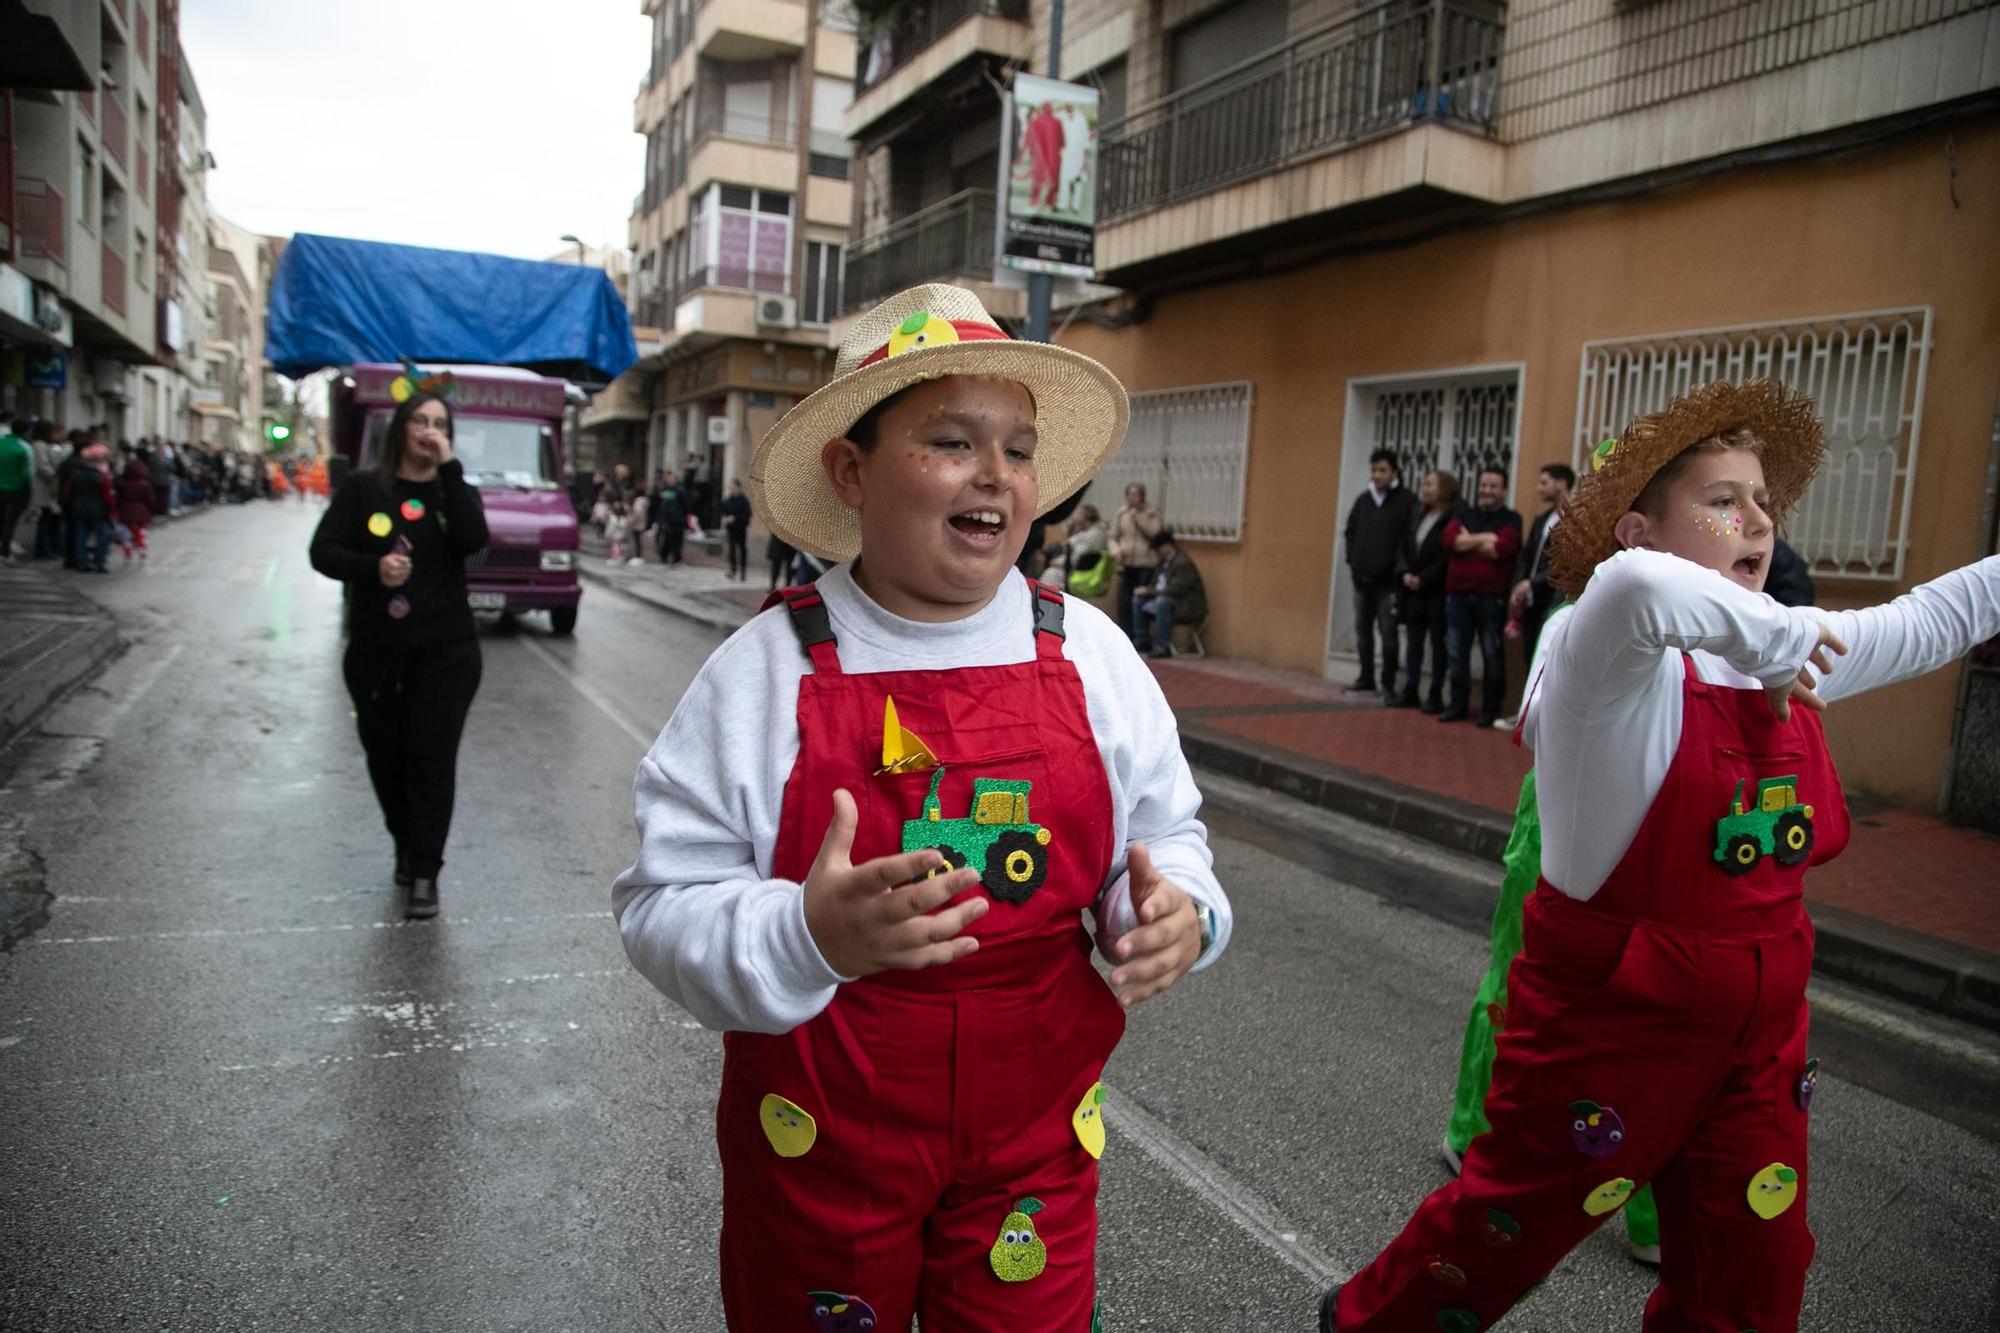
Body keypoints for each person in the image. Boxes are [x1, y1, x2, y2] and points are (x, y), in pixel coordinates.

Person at [612, 284, 1231, 1332]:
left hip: (1034, 1136)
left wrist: (1174, 915)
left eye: (1018, 448)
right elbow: (659, 906)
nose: (994, 473)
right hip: (820, 1131)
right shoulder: (763, 671)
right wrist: (803, 931)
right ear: (850, 471)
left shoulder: (1091, 652)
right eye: (949, 440)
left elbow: (1167, 834)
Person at [1321, 378, 2000, 1333]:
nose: (1758, 518)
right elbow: (1640, 589)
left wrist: (1786, 639)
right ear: (1639, 529)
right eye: (1723, 501)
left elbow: (1934, 619)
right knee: (1491, 1242)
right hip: (1608, 1028)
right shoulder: (1601, 647)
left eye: (1764, 500)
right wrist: (1788, 637)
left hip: (1760, 1041)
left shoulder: (1772, 651)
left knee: (1754, 1274)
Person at [1436, 597, 1663, 1264]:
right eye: (1718, 505)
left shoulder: (1732, 628)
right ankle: (1472, 1129)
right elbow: (1536, 722)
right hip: (1567, 818)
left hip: (1663, 837)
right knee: (1518, 981)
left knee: (1655, 1017)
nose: (1747, 526)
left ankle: (1654, 1210)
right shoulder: (1580, 617)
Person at [309, 391, 489, 920]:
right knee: (387, 762)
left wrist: (450, 467)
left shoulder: (453, 490)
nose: (429, 431)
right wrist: (373, 569)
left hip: (448, 654)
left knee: (431, 763)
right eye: (420, 421)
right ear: (400, 430)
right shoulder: (365, 489)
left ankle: (425, 872)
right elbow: (323, 551)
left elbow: (474, 540)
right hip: (378, 655)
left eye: (440, 423)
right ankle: (405, 847)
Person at [1440, 467, 1522, 724]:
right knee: (1456, 652)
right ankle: (1457, 705)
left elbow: (1502, 549)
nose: (1487, 491)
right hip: (1458, 595)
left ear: (1504, 490)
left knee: (1491, 653)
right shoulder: (1463, 513)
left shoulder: (1511, 519)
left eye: (1493, 486)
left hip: (1491, 598)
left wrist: (1469, 541)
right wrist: (1485, 538)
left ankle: (1490, 709)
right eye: (1484, 485)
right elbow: (1450, 541)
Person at [1344, 448, 1419, 701]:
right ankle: (1366, 677)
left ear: (1394, 472)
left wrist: (1399, 569)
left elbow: (1408, 539)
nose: (1377, 475)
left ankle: (1388, 683)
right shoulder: (1364, 500)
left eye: (1382, 470)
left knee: (1388, 634)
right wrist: (1353, 561)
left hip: (1389, 582)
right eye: (1374, 470)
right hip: (1362, 579)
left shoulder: (1406, 501)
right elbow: (1350, 532)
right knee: (1362, 630)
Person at [1394, 469, 1458, 712]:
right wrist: (1405, 573)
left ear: (1445, 489)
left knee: (1437, 643)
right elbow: (1404, 546)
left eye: (1431, 484)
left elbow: (1445, 555)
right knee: (1414, 641)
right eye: (1425, 484)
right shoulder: (1418, 515)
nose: (1425, 488)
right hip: (1412, 590)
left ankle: (1435, 692)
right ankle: (1411, 686)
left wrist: (1425, 578)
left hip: (1436, 592)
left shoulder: (1451, 519)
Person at [1509, 463, 1576, 666]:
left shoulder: (1574, 519)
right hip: (1532, 600)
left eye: (1544, 482)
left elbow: (1566, 562)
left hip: (1553, 597)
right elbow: (1526, 555)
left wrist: (1533, 582)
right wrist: (1518, 585)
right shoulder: (1542, 519)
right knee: (1530, 656)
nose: (1539, 488)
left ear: (1560, 484)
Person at [1135, 529, 1209, 660]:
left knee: (1162, 602)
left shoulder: (1182, 563)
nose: (1157, 552)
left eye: (1158, 549)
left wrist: (1149, 592)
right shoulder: (1163, 563)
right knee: (1138, 600)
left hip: (1186, 605)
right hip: (1169, 600)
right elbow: (1155, 584)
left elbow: (1176, 590)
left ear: (1168, 545)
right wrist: (1145, 591)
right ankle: (1143, 640)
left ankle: (1163, 646)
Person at [1109, 483, 1162, 646]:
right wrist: (1116, 551)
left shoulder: (1150, 513)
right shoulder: (1121, 513)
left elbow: (1155, 534)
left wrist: (1138, 518)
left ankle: (1142, 637)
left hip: (1145, 562)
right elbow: (1113, 536)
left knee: (1139, 599)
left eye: (1136, 495)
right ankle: (1126, 635)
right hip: (1126, 563)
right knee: (1123, 601)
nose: (1133, 498)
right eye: (1130, 495)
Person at [64, 441, 114, 574]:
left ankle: (81, 562)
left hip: (79, 509)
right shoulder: (102, 477)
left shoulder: (76, 475)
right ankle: (100, 562)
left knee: (81, 536)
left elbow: (68, 493)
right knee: (102, 537)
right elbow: (107, 496)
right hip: (98, 510)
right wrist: (111, 511)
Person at [1040, 503, 1108, 591]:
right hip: (1073, 568)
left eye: (1077, 513)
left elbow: (1077, 556)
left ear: (1086, 516)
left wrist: (1057, 562)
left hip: (1078, 572)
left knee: (1050, 573)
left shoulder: (1093, 534)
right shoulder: (1084, 531)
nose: (1074, 515)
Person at [31, 422, 66, 559]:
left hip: (49, 488)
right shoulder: (39, 445)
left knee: (49, 520)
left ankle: (48, 548)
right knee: (45, 521)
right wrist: (55, 476)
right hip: (44, 488)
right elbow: (43, 466)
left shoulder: (46, 446)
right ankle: (43, 550)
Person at [113, 457, 157, 563]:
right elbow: (150, 500)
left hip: (125, 512)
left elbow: (117, 499)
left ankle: (127, 553)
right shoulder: (144, 484)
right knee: (140, 532)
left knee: (126, 535)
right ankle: (142, 551)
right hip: (141, 512)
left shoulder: (121, 484)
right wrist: (151, 511)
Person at [0, 416, 31, 561]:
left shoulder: (1, 442)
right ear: (26, 431)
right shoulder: (22, 448)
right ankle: (5, 552)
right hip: (14, 490)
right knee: (9, 522)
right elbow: (26, 474)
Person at [652, 470, 689, 567]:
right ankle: (666, 556)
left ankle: (676, 559)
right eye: (668, 479)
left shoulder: (680, 490)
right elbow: (658, 503)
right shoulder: (665, 490)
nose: (669, 480)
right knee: (668, 539)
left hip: (677, 519)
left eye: (672, 479)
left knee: (677, 540)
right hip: (666, 519)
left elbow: (685, 504)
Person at [721, 479, 753, 580]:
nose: (732, 490)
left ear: (739, 488)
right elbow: (723, 511)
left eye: (734, 488)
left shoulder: (744, 501)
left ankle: (743, 571)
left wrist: (735, 518)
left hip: (741, 528)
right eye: (731, 488)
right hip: (731, 529)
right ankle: (733, 570)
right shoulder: (728, 500)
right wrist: (725, 518)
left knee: (742, 550)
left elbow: (747, 515)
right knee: (732, 550)